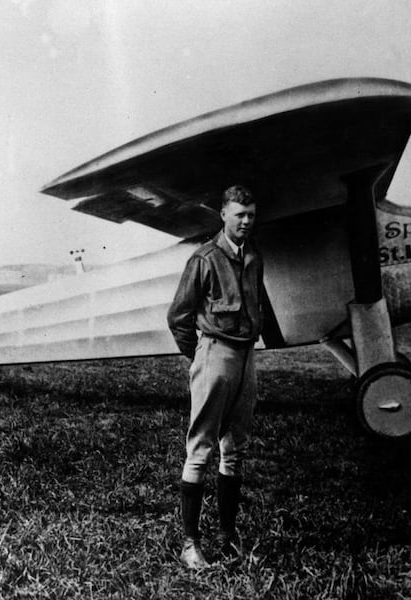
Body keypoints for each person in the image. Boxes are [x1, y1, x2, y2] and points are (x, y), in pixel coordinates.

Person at [166, 184, 264, 569]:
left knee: (234, 448)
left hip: (246, 357)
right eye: (239, 214)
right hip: (215, 354)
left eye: (251, 215)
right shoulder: (204, 258)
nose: (246, 222)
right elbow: (178, 316)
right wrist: (202, 358)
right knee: (201, 447)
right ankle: (190, 543)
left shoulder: (254, 255)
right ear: (223, 214)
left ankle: (226, 536)